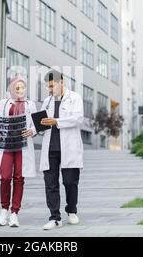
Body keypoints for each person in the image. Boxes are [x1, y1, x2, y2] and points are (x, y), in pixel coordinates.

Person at [39, 69, 84, 230]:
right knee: (50, 184)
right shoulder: (47, 101)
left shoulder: (75, 98)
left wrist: (56, 121)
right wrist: (38, 126)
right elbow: (43, 125)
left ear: (61, 82)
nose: (50, 90)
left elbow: (78, 118)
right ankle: (54, 217)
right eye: (48, 87)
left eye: (52, 86)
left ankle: (72, 211)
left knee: (70, 182)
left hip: (69, 147)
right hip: (50, 148)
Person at [0, 76, 37, 227]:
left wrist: (31, 131)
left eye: (23, 88)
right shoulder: (3, 103)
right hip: (6, 145)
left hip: (22, 146)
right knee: (5, 177)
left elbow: (36, 124)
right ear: (11, 89)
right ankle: (4, 210)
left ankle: (14, 213)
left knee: (19, 178)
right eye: (17, 88)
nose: (20, 91)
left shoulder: (30, 104)